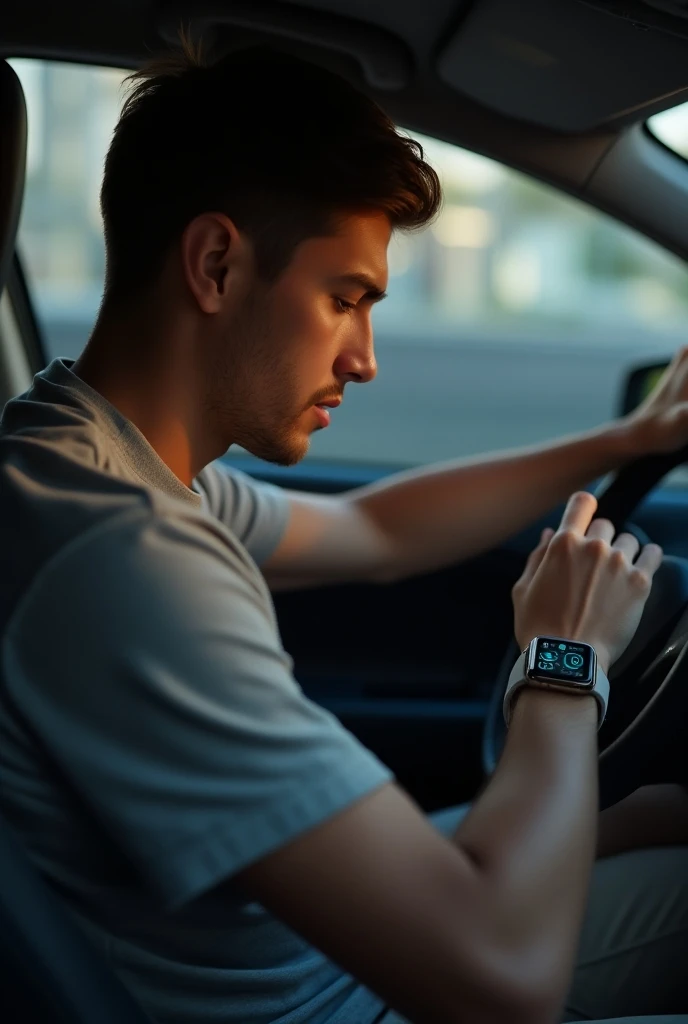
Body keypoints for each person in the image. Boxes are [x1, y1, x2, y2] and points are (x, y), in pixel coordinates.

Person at [0, 37, 686, 1024]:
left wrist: (630, 435)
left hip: (318, 954)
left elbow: (376, 528)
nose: (364, 359)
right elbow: (501, 982)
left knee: (655, 819)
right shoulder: (124, 557)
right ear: (216, 262)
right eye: (343, 299)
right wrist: (563, 659)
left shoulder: (86, 453)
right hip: (343, 1003)